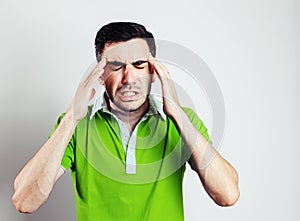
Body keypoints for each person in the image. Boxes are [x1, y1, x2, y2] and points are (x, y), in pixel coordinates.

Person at [12, 21, 240, 220]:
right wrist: (72, 117)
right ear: (100, 75)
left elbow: (228, 195)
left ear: (154, 70)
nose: (129, 78)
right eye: (116, 66)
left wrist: (177, 113)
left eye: (139, 65)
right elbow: (24, 201)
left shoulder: (183, 121)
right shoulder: (74, 124)